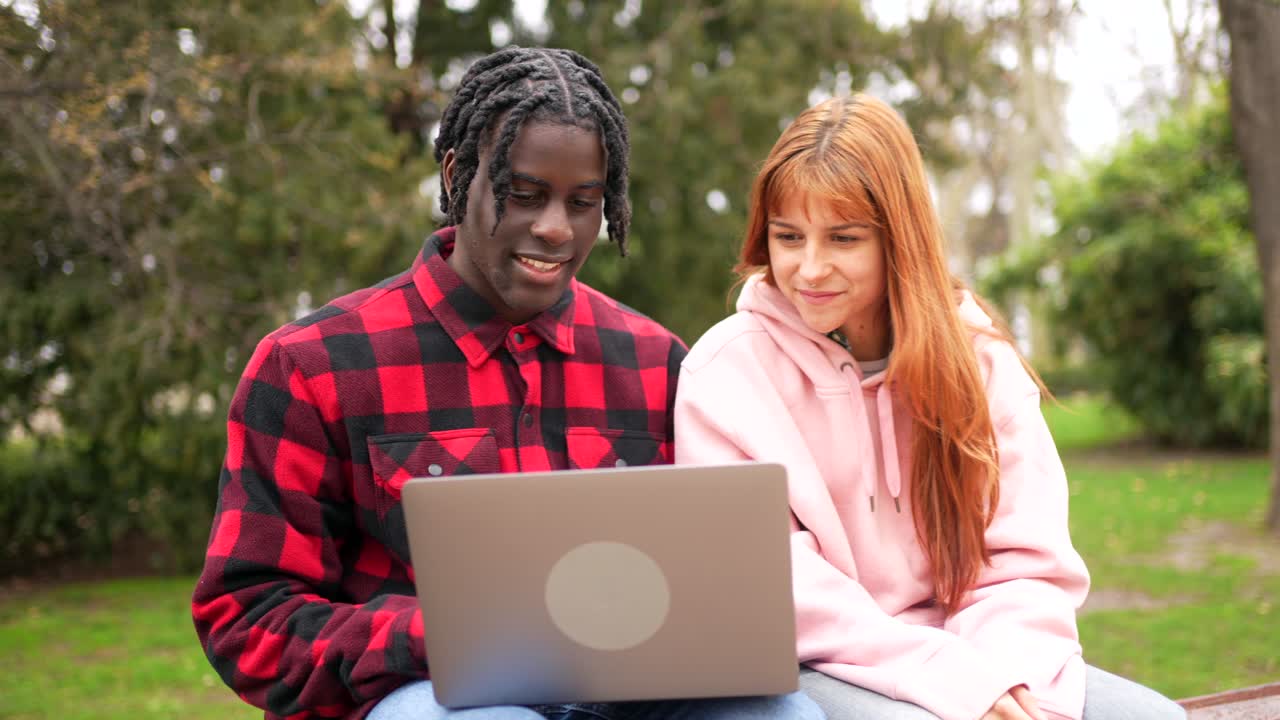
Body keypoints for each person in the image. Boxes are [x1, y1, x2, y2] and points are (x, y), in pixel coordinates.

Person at [191, 47, 822, 720]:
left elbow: (702, 582)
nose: (554, 229)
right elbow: (247, 616)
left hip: (622, 698)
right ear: (457, 173)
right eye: (523, 195)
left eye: (583, 203)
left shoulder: (655, 363)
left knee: (781, 713)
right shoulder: (314, 365)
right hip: (424, 699)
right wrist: (442, 639)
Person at [673, 94, 1186, 720]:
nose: (809, 267)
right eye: (788, 236)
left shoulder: (978, 360)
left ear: (899, 240)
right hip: (821, 661)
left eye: (843, 238)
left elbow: (1023, 560)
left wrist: (1012, 682)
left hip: (984, 648)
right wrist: (947, 680)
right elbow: (776, 586)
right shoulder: (727, 372)